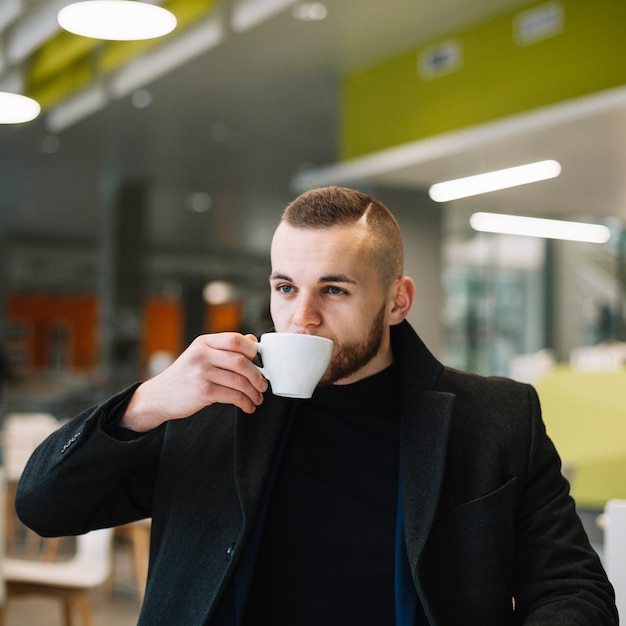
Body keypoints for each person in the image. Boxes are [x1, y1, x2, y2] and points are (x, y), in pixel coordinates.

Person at [16, 186, 616, 625]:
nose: (301, 317)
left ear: (397, 301)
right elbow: (45, 508)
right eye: (285, 288)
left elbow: (574, 588)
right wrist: (145, 405)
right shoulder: (209, 406)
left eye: (334, 289)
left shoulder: (495, 417)